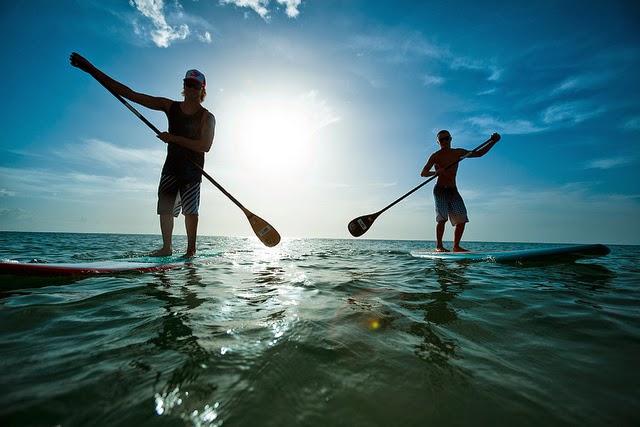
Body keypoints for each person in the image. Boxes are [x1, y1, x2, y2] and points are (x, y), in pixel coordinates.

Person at [70, 52, 216, 258]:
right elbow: (131, 94)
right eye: (187, 84)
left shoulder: (207, 117)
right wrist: (91, 69)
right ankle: (167, 248)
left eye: (195, 86)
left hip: (192, 170)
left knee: (190, 211)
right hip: (171, 167)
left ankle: (191, 250)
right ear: (183, 86)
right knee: (165, 208)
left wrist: (173, 138)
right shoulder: (170, 106)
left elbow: (205, 145)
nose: (190, 89)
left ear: (202, 90)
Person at [420, 130, 500, 252]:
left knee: (461, 219)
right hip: (440, 189)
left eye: (446, 138)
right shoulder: (435, 156)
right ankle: (439, 246)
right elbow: (423, 173)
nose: (444, 141)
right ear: (438, 142)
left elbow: (479, 153)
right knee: (442, 219)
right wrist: (435, 172)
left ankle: (456, 246)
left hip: (453, 189)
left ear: (450, 139)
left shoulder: (458, 152)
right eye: (441, 140)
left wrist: (493, 142)